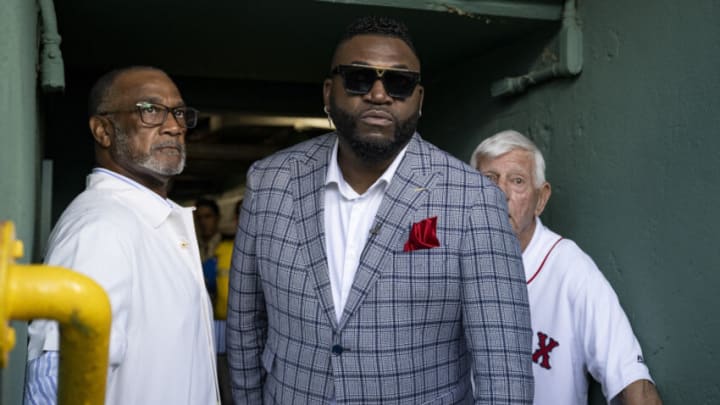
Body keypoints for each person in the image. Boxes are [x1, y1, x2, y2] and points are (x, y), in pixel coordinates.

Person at [226, 16, 533, 404]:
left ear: (419, 100)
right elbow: (244, 328)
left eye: (399, 83)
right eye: (358, 77)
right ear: (328, 92)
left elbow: (503, 364)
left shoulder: (472, 198)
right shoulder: (269, 183)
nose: (378, 94)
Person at [23, 66, 219, 404]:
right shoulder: (100, 229)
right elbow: (53, 387)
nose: (173, 127)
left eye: (178, 113)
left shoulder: (146, 220)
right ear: (103, 131)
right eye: (150, 111)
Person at [471, 130, 663, 405]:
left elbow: (633, 382)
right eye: (488, 179)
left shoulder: (570, 268)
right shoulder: (450, 263)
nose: (500, 193)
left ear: (541, 199)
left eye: (517, 181)